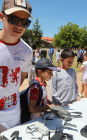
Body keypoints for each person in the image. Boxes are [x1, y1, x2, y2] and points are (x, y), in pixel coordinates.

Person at [0, 0, 33, 133]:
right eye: (13, 19)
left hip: (12, 113)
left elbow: (19, 80)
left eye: (24, 22)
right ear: (2, 17)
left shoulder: (27, 51)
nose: (19, 26)